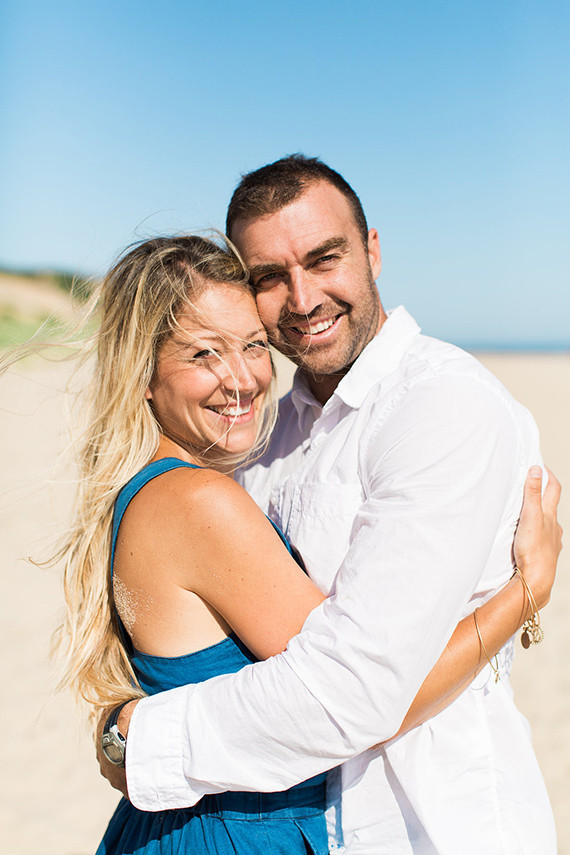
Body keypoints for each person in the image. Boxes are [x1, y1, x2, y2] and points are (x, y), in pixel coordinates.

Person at [100, 156, 562, 854]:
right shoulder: (263, 435)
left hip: (429, 827)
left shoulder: (441, 406)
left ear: (372, 251)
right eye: (270, 278)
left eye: (324, 259)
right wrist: (522, 598)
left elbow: (354, 688)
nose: (303, 297)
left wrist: (141, 740)